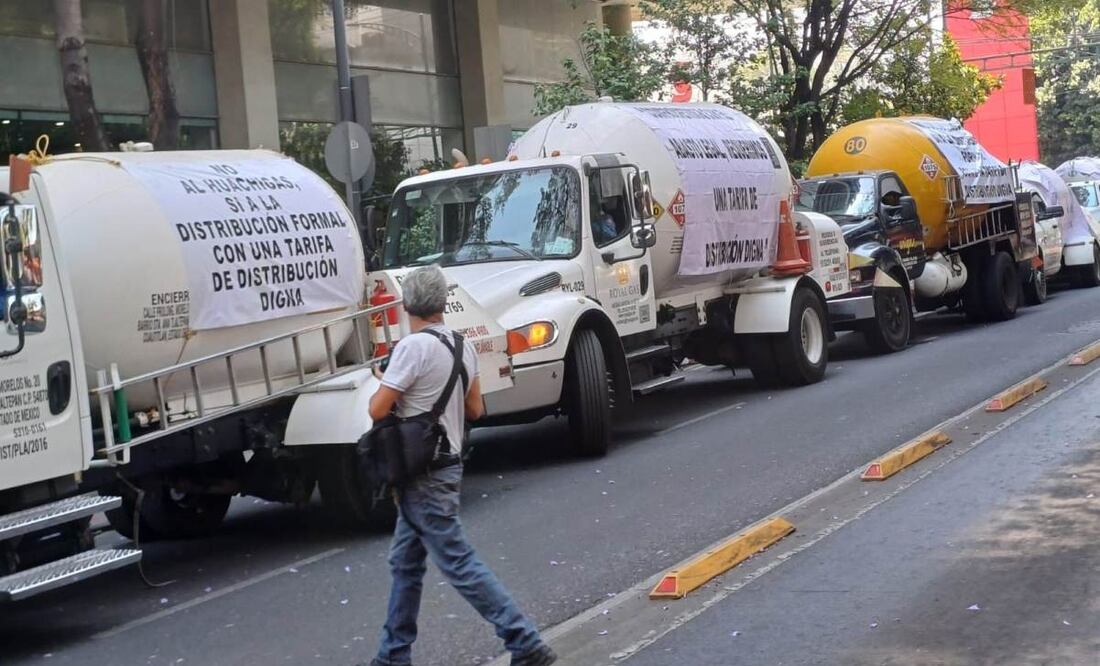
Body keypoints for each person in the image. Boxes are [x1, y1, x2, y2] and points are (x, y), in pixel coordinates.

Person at [365, 265, 557, 666]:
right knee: (405, 562)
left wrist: (390, 381)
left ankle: (524, 641)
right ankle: (392, 656)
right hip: (446, 464)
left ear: (407, 304)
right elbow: (475, 408)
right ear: (441, 302)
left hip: (422, 474)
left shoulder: (413, 348)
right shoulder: (461, 345)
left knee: (459, 562)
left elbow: (377, 408)